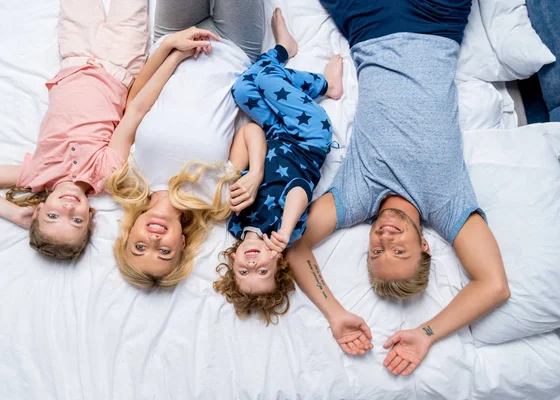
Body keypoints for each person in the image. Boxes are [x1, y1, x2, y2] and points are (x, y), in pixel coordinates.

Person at [286, 0, 511, 376]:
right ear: (425, 246)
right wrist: (426, 333)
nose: (386, 237)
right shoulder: (446, 205)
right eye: (399, 250)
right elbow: (494, 285)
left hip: (369, 23)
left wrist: (336, 313)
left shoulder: (357, 197)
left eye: (377, 249)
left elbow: (296, 244)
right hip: (436, 21)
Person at [0, 0, 156, 260]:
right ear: (90, 215)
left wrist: (13, 213)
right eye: (76, 220)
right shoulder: (106, 174)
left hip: (75, 55)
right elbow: (133, 114)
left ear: (39, 210)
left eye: (53, 216)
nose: (67, 207)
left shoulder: (37, 175)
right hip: (120, 62)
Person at [106, 0, 266, 289]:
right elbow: (249, 132)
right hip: (235, 49)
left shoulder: (122, 180)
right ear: (181, 244)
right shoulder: (217, 198)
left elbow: (136, 106)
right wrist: (255, 173)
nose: (153, 241)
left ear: (127, 238)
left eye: (139, 248)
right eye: (164, 252)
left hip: (174, 38)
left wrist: (172, 51)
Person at [213, 9, 344, 325]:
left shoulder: (232, 218)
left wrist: (255, 173)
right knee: (269, 78)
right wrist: (285, 230)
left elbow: (248, 133)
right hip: (308, 137)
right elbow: (299, 190)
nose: (253, 263)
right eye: (263, 271)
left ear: (232, 263)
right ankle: (327, 85)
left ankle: (285, 48)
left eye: (244, 271)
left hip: (275, 133)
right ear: (279, 263)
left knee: (242, 89)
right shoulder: (284, 232)